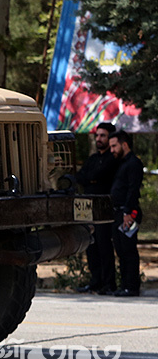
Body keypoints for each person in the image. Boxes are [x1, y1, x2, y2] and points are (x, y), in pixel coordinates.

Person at [75, 122, 117, 294]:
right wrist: (91, 179)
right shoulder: (93, 159)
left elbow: (99, 176)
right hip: (87, 207)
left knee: (104, 245)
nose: (99, 138)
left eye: (103, 136)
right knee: (91, 245)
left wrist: (92, 178)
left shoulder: (112, 159)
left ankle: (108, 283)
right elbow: (82, 176)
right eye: (97, 135)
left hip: (103, 208)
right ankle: (95, 281)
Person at [108, 129, 144, 297]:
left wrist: (128, 212)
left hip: (127, 212)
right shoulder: (121, 163)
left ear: (124, 144)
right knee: (121, 251)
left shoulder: (133, 163)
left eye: (114, 146)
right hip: (118, 212)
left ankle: (132, 286)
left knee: (129, 250)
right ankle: (125, 285)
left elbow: (133, 189)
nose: (112, 150)